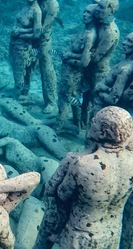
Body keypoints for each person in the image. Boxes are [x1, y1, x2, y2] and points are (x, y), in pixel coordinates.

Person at [35, 106, 133, 249]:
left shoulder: (82, 164)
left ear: (103, 130)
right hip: (112, 234)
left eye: (94, 122)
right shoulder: (130, 161)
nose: (90, 124)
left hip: (80, 236)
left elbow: (61, 194)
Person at [55, 4, 97, 132]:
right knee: (72, 98)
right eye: (84, 11)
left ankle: (58, 126)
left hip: (74, 73)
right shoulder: (85, 31)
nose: (84, 14)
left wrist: (68, 56)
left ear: (95, 16)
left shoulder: (90, 35)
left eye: (89, 13)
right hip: (69, 72)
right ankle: (77, 124)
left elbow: (85, 61)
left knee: (64, 98)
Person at [25, 0, 59, 113]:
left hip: (43, 41)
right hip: (32, 38)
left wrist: (23, 34)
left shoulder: (53, 5)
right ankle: (24, 93)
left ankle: (51, 102)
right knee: (27, 66)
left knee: (47, 70)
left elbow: (42, 29)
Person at [9, 0, 42, 105]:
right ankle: (23, 94)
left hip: (24, 47)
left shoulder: (36, 11)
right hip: (15, 45)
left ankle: (17, 97)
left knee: (21, 72)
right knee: (21, 71)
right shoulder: (26, 6)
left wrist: (20, 33)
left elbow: (37, 33)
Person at [92, 32, 133, 115]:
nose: (124, 42)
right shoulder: (125, 62)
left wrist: (99, 89)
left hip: (105, 114)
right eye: (125, 39)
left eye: (129, 41)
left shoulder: (125, 70)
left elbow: (113, 99)